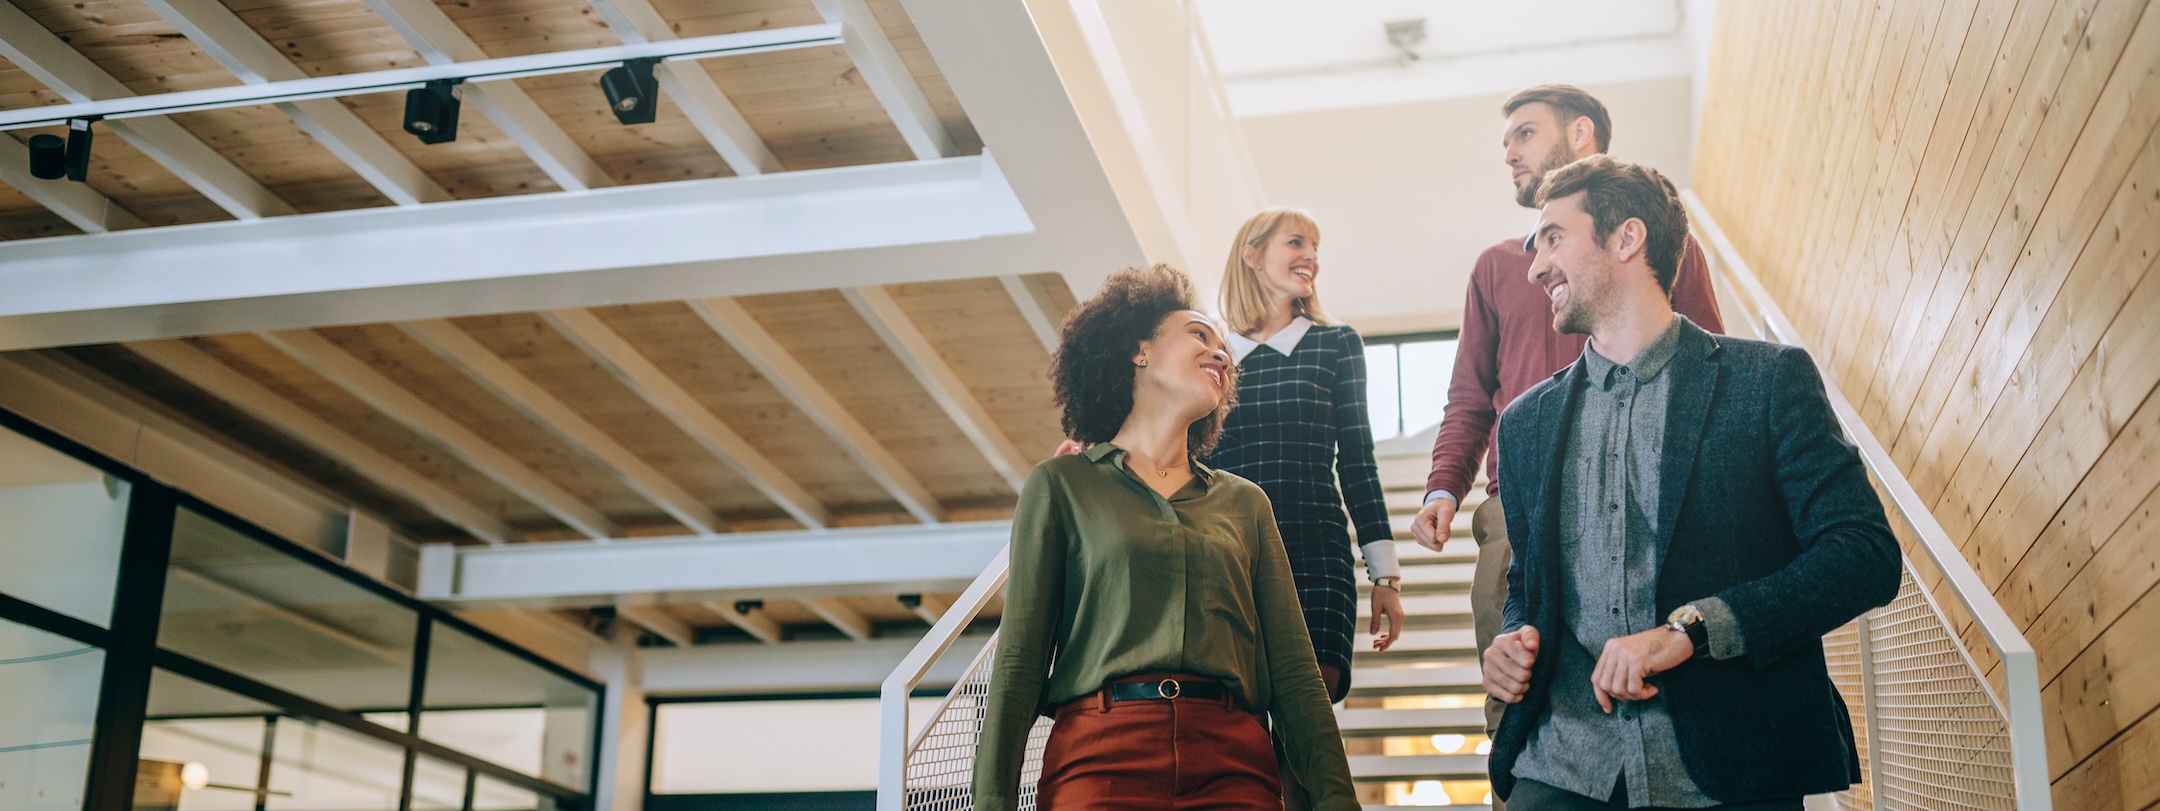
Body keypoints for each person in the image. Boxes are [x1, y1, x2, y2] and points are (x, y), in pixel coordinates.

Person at [1480, 155, 1900, 809]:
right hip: (1563, 767)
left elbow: (1864, 555)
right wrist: (1513, 637)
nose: (1535, 266)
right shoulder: (1523, 424)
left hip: (1732, 765)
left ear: (1626, 238)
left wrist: (1693, 629)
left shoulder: (1768, 381)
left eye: (1554, 237)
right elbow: (1527, 588)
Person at [1407, 85, 1728, 748]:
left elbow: (1710, 366)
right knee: (1519, 710)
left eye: (1524, 134)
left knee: (1663, 700)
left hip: (1652, 497)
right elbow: (1470, 394)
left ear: (1581, 133)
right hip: (1517, 513)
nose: (1510, 155)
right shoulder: (1500, 268)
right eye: (1506, 143)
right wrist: (1444, 484)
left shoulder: (1664, 248)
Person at [973, 265, 1358, 811]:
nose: (1221, 353)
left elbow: (1296, 674)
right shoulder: (1062, 486)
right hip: (1099, 762)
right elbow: (1019, 661)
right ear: (1140, 351)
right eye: (1200, 334)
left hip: (1233, 765)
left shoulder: (1246, 503)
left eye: (1225, 348)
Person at [1210, 207, 1407, 697]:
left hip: (1317, 551)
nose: (1311, 257)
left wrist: (1386, 576)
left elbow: (1358, 461)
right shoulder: (1215, 353)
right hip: (1229, 553)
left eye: (1315, 248)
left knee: (1309, 715)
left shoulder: (1336, 343)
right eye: (1297, 243)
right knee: (1241, 720)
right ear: (1251, 255)